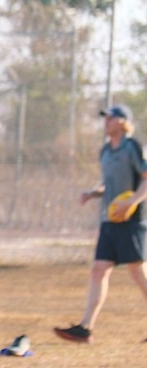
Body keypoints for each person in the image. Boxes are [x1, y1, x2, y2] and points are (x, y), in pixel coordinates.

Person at [54, 104, 147, 344]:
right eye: (105, 118)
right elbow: (108, 185)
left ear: (123, 122)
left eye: (111, 118)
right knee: (98, 270)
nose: (105, 122)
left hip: (131, 221)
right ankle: (85, 328)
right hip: (110, 221)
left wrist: (133, 202)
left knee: (138, 273)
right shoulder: (105, 151)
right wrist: (92, 193)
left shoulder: (132, 147)